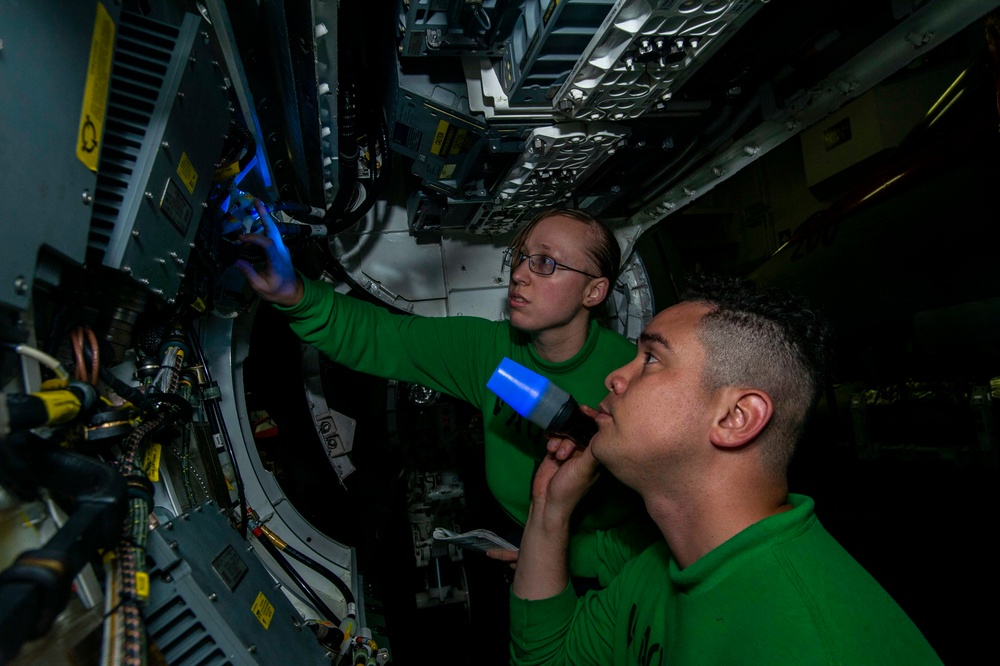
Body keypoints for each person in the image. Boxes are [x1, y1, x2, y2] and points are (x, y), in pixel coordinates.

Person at [509, 273, 942, 665]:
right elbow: (549, 659)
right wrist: (549, 510)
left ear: (736, 417)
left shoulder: (818, 646)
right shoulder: (658, 570)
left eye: (651, 359)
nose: (614, 378)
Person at [236, 202, 656, 586]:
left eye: (545, 262)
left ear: (594, 292)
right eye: (521, 256)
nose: (520, 273)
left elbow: (673, 519)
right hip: (516, 532)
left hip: (604, 563)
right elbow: (387, 337)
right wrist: (294, 295)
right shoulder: (491, 352)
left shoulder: (630, 381)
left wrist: (561, 557)